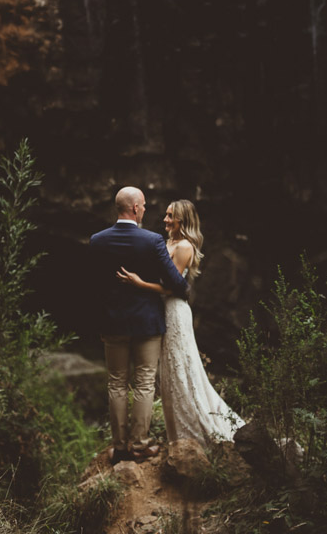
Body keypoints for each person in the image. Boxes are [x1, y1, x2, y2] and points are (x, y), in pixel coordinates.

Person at [118, 199, 245, 446]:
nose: (165, 220)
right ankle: (177, 434)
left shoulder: (185, 246)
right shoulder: (166, 242)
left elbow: (171, 288)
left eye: (170, 216)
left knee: (182, 368)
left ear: (182, 221)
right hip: (160, 310)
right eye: (165, 215)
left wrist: (139, 284)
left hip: (174, 310)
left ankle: (194, 434)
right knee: (169, 372)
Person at [90, 186, 189, 465]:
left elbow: (91, 286)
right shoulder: (152, 240)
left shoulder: (97, 240)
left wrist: (101, 319)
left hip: (112, 323)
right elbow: (176, 283)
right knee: (145, 383)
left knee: (116, 384)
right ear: (135, 209)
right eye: (143, 206)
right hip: (147, 322)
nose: (145, 210)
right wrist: (182, 285)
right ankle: (140, 445)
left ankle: (120, 448)